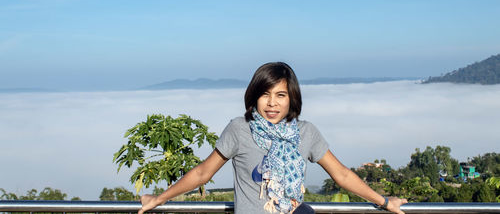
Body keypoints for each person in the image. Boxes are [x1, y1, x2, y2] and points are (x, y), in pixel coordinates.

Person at [139, 62, 408, 214]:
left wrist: (384, 202)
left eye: (280, 95)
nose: (271, 104)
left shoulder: (306, 133)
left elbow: (342, 175)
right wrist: (159, 198)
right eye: (265, 94)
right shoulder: (239, 128)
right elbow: (202, 174)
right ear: (253, 96)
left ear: (292, 99)